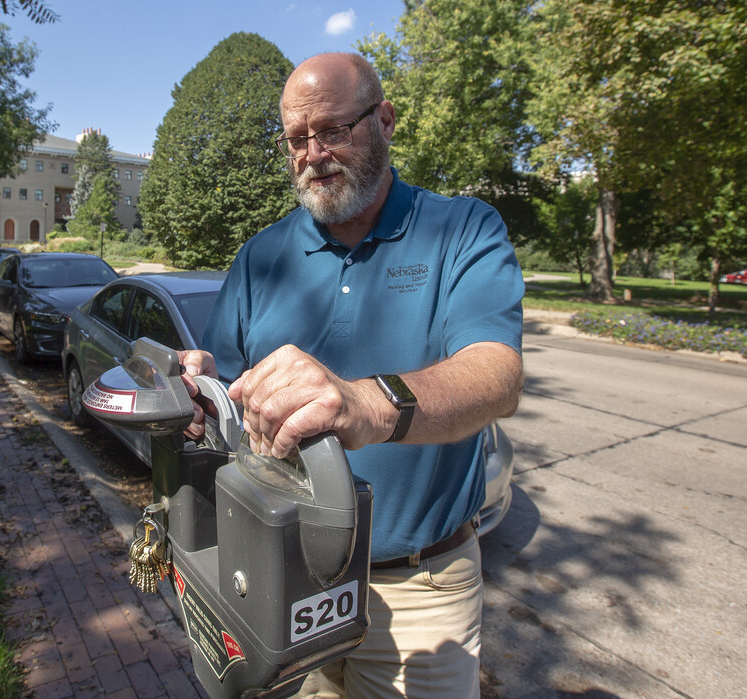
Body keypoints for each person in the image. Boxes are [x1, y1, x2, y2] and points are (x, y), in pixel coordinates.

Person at [178, 52, 524, 698]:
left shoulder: (462, 229)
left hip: (420, 589)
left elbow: (496, 374)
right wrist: (199, 385)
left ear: (385, 119)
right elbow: (225, 386)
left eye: (333, 130)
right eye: (296, 139)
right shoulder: (260, 257)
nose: (312, 153)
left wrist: (367, 402)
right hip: (281, 571)